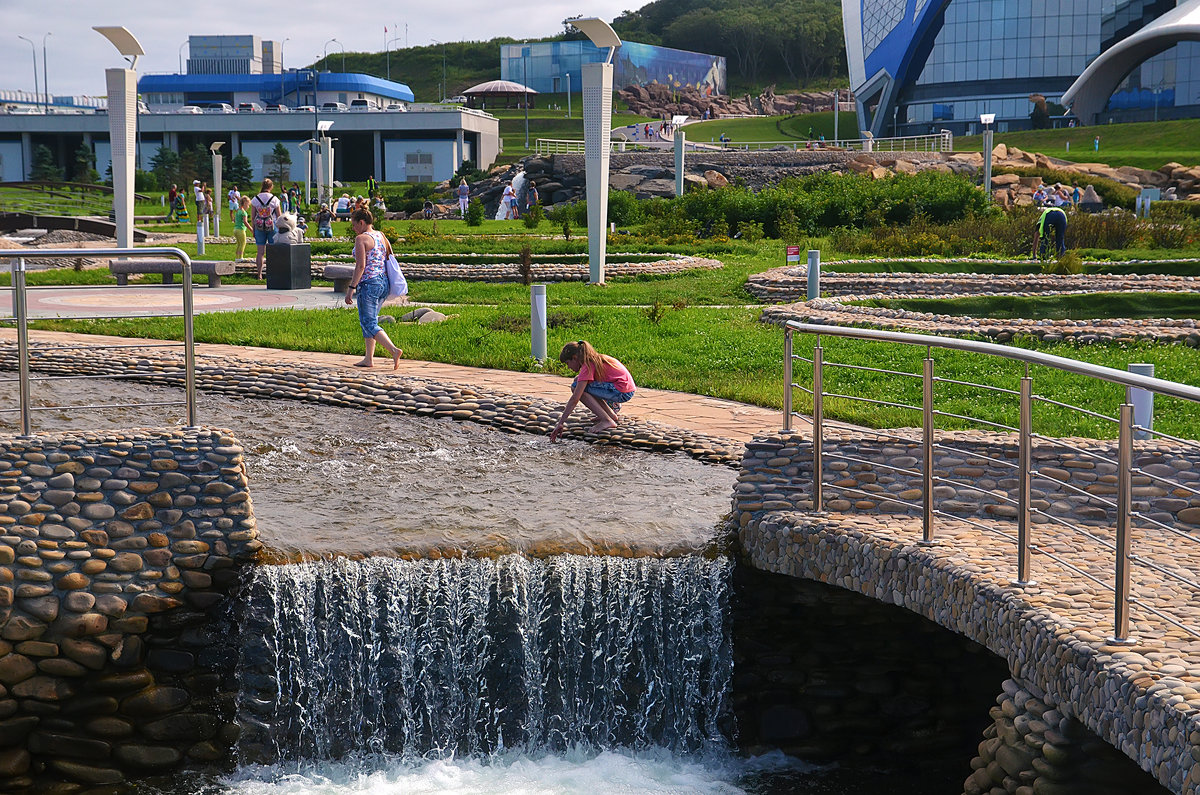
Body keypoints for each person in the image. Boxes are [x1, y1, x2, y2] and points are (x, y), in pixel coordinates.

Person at [343, 207, 404, 370]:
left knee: (368, 322)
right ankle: (369, 358)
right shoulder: (381, 235)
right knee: (370, 320)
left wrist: (351, 288)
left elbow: (360, 266)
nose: (353, 229)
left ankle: (393, 350)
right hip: (383, 282)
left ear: (361, 223)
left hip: (369, 283)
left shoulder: (361, 239)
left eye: (354, 225)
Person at [549, 340, 636, 441]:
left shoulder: (588, 366)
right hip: (626, 389)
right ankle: (610, 415)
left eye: (568, 363)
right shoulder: (593, 359)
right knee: (578, 381)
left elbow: (575, 399)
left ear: (574, 358)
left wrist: (561, 423)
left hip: (621, 391)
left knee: (576, 387)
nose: (568, 367)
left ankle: (606, 420)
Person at [250, 178, 282, 279]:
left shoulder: (255, 199)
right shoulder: (275, 199)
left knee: (260, 252)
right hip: (272, 226)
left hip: (259, 227)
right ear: (271, 187)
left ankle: (259, 274)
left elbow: (252, 216)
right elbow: (279, 215)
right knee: (273, 251)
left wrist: (253, 229)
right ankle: (273, 273)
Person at [232, 195, 250, 262]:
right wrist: (251, 229)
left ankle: (237, 257)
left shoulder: (238, 211)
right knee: (243, 243)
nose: (248, 207)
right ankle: (240, 257)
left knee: (239, 244)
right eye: (248, 205)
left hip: (235, 229)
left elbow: (234, 219)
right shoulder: (243, 212)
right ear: (245, 203)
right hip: (241, 230)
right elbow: (245, 222)